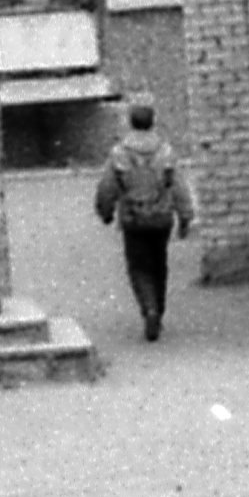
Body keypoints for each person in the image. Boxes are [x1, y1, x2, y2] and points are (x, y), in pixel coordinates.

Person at [90, 96, 195, 340]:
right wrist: (185, 216)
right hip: (162, 218)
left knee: (138, 266)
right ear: (152, 123)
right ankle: (158, 309)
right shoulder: (166, 152)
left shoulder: (120, 154)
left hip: (133, 219)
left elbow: (107, 187)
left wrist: (105, 212)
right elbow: (179, 186)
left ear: (130, 123)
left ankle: (149, 309)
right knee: (159, 264)